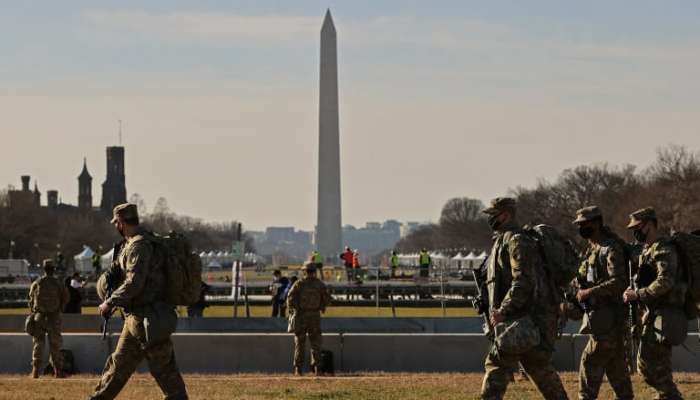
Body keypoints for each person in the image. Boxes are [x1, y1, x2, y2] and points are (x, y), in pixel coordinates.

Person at [88, 203, 188, 400]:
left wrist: (110, 302)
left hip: (149, 320)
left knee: (167, 375)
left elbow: (135, 283)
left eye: (116, 222)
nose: (116, 226)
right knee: (118, 367)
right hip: (137, 319)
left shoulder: (139, 245)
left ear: (121, 222)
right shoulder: (139, 242)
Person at [480, 197, 568, 400]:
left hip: (522, 321)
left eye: (493, 215)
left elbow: (523, 282)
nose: (491, 220)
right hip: (526, 322)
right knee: (540, 369)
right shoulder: (505, 240)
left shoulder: (516, 240)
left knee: (496, 365)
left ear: (505, 215)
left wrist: (504, 310)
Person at [623, 207, 686, 400]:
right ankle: (667, 396)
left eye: (638, 227)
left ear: (649, 225)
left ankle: (670, 396)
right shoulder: (647, 250)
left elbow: (665, 281)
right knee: (648, 367)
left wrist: (638, 295)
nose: (635, 231)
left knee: (656, 367)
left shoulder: (664, 249)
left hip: (665, 315)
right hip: (653, 314)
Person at [572, 206, 633, 400]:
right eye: (579, 224)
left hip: (610, 318)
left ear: (597, 223)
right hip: (601, 319)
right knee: (616, 367)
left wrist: (589, 291)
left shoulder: (610, 248)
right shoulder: (593, 248)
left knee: (590, 362)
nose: (581, 228)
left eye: (585, 224)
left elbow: (619, 281)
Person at [287, 262, 331, 376]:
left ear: (304, 271)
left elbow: (290, 298)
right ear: (315, 271)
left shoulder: (299, 283)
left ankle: (298, 369)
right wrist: (321, 306)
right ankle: (318, 369)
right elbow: (327, 299)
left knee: (299, 343)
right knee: (316, 343)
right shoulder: (320, 284)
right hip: (315, 316)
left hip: (301, 316)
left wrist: (295, 310)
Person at [28, 259, 69, 378]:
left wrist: (34, 312)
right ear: (53, 269)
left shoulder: (37, 282)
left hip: (39, 316)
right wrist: (60, 309)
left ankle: (35, 371)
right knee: (55, 344)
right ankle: (58, 371)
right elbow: (66, 297)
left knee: (38, 343)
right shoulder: (58, 283)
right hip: (54, 316)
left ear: (44, 269)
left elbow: (30, 299)